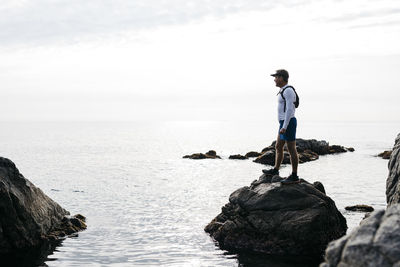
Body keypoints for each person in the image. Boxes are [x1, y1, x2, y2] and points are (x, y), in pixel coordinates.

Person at [262, 69, 299, 184]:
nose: (274, 79)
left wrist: (285, 126)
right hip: (283, 123)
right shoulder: (283, 90)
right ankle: (276, 170)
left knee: (292, 149)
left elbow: (289, 110)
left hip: (288, 123)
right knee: (278, 146)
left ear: (282, 78)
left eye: (276, 77)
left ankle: (294, 175)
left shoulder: (288, 91)